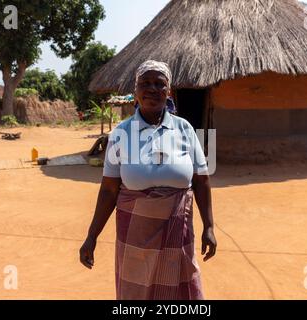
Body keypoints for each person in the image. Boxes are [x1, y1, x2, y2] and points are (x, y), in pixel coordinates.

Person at [79, 60, 217, 300]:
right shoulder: (121, 134)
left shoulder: (184, 129)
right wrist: (92, 236)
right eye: (145, 83)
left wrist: (209, 227)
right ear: (135, 91)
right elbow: (109, 191)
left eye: (159, 84)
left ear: (169, 91)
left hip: (178, 236)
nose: (152, 89)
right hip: (135, 240)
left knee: (180, 293)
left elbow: (201, 181)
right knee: (136, 292)